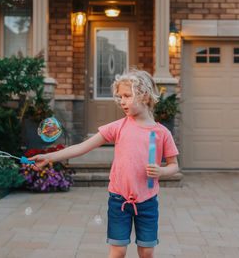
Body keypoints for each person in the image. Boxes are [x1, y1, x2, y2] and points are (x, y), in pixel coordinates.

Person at [29, 69, 179, 258]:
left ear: (145, 96)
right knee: (118, 251)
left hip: (147, 201)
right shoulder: (119, 127)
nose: (122, 101)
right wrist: (49, 157)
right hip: (119, 200)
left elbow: (174, 165)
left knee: (147, 251)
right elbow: (83, 147)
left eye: (127, 96)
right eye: (120, 96)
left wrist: (161, 171)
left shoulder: (161, 133)